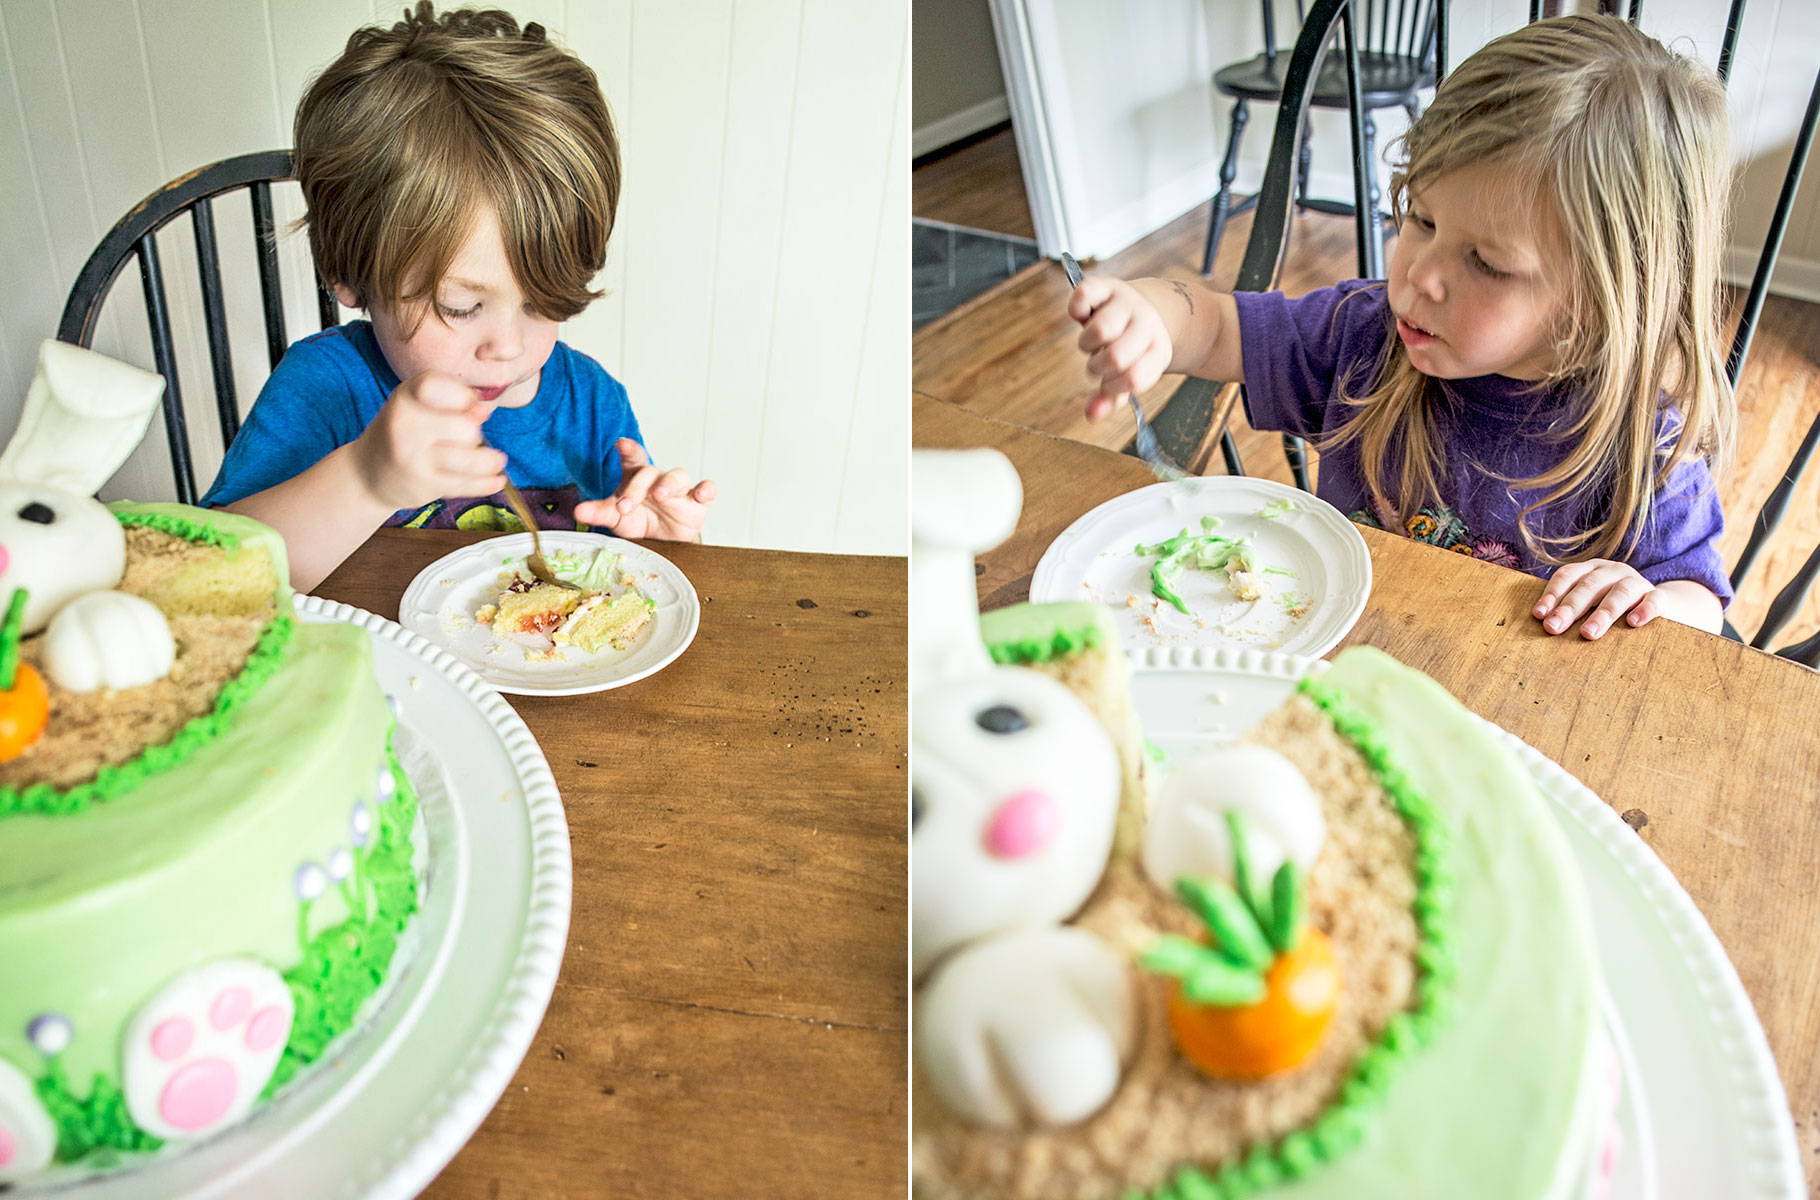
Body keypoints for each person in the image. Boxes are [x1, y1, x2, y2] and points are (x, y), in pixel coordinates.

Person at [1067, 14, 1735, 642]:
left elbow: (1700, 603)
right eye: (1421, 219)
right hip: (1345, 658)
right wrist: (1151, 315)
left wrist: (1648, 600)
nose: (1420, 277)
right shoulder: (1363, 339)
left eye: (1485, 262)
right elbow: (1214, 328)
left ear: (1603, 298)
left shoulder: (1646, 447)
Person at [204, 2, 714, 591]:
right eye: (461, 306)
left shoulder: (592, 404)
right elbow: (214, 576)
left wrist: (663, 548)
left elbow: (617, 589)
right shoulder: (325, 388)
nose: (509, 347)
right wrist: (366, 480)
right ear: (347, 272)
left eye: (542, 299)